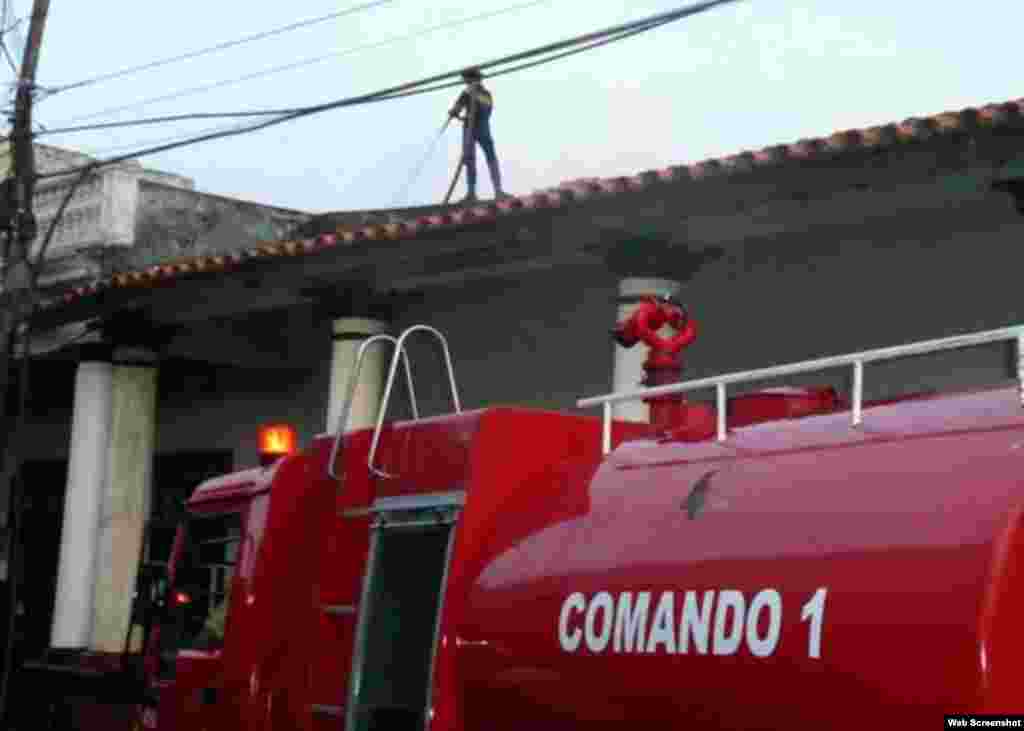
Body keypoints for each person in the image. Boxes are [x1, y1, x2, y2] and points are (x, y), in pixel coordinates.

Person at [449, 67, 510, 204]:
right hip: (468, 129)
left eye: (467, 80)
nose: (466, 83)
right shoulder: (466, 93)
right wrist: (454, 112)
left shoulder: (484, 93)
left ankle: (498, 191)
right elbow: (457, 108)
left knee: (490, 156)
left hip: (481, 127)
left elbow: (487, 109)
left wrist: (473, 96)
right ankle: (471, 193)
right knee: (469, 159)